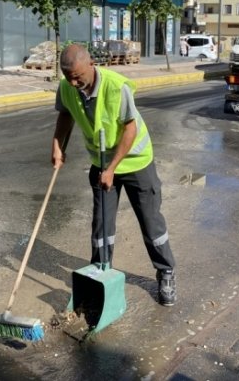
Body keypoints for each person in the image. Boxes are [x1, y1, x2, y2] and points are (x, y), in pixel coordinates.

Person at [51, 44, 177, 306]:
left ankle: (165, 272)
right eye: (67, 76)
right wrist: (57, 146)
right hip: (101, 163)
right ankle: (99, 272)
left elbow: (130, 129)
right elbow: (65, 115)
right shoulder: (67, 87)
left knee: (151, 224)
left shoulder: (116, 87)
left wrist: (112, 169)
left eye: (77, 76)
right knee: (101, 225)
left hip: (135, 163)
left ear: (91, 65)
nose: (73, 82)